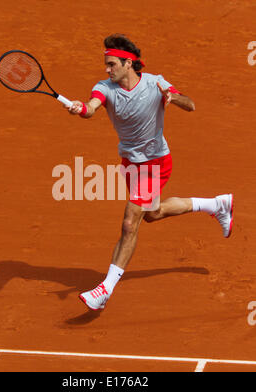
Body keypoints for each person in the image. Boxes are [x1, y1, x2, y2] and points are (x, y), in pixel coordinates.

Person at [65, 34, 234, 311]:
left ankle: (105, 289)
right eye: (106, 65)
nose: (107, 70)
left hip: (155, 163)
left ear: (128, 63)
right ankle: (216, 204)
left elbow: (190, 104)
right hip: (131, 163)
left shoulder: (156, 82)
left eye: (111, 65)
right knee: (151, 214)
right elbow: (91, 107)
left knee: (131, 222)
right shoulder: (104, 88)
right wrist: (79, 108)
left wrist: (172, 97)